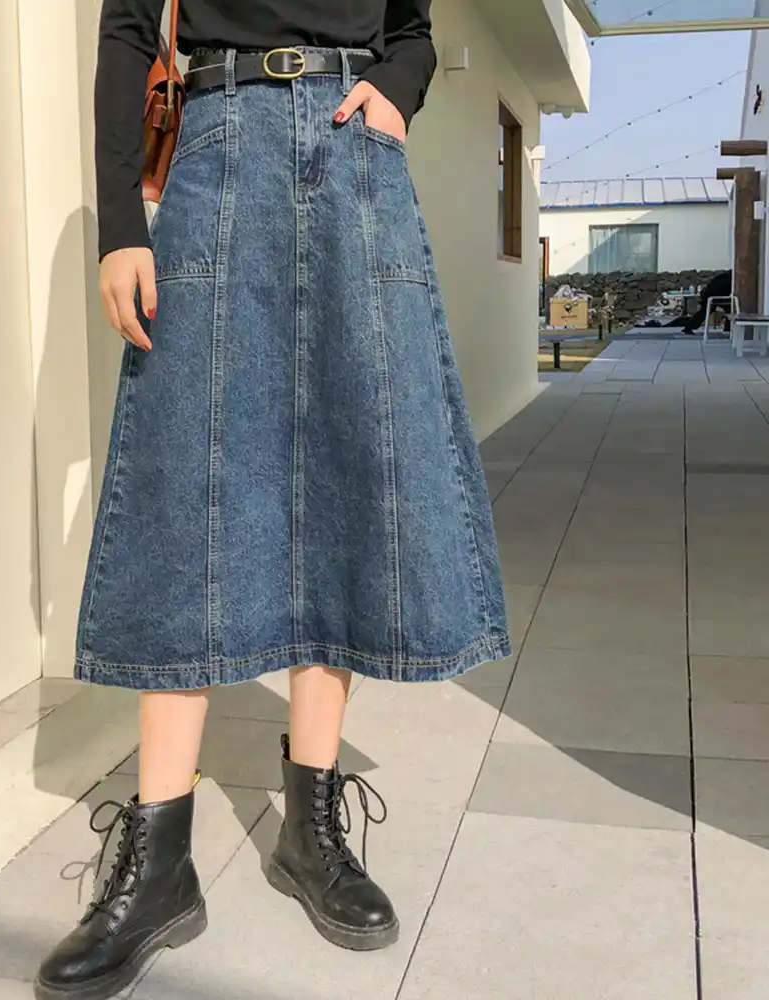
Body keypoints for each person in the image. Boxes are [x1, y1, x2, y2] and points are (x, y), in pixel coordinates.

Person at [35, 3, 510, 997]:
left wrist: (399, 96)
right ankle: (160, 858)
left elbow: (411, 27)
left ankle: (312, 824)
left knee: (342, 471)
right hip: (218, 146)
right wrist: (119, 220)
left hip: (352, 157)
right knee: (187, 490)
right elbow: (127, 29)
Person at [681, 269, 733, 334]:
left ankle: (689, 327)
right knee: (731, 309)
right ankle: (728, 329)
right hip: (715, 294)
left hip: (712, 293)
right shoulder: (732, 276)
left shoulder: (728, 275)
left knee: (706, 311)